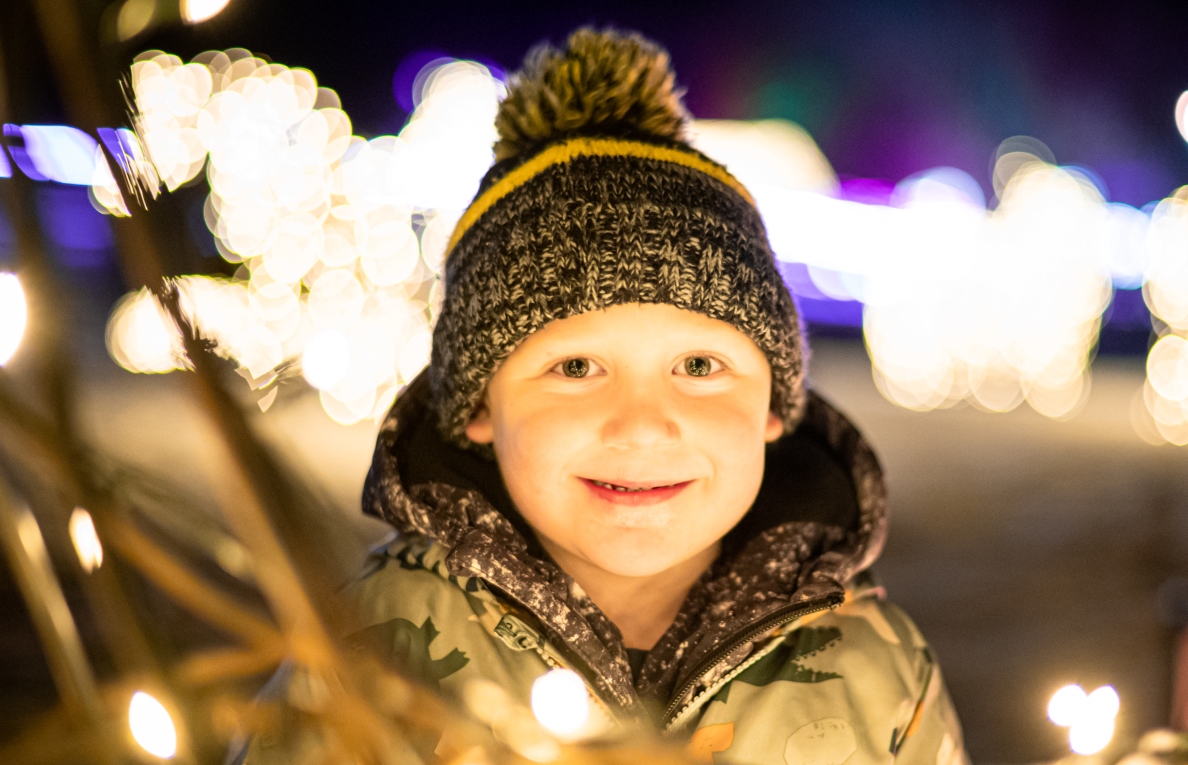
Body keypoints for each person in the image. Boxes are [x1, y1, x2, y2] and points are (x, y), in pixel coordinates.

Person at [242, 27, 965, 765]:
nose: (644, 425)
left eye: (699, 364)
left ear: (773, 406)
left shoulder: (877, 671)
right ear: (479, 406)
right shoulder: (369, 656)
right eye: (578, 367)